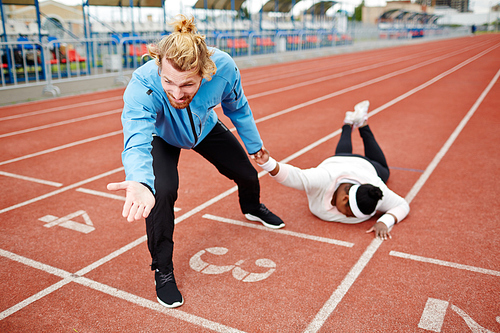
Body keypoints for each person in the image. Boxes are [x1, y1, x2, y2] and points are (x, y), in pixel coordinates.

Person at [107, 15, 284, 309]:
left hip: (204, 127)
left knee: (247, 174)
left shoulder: (224, 68)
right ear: (158, 65)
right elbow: (136, 137)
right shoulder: (142, 84)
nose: (177, 93)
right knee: (160, 193)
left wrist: (255, 147)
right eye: (168, 82)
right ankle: (162, 270)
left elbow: (237, 107)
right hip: (160, 135)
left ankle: (251, 207)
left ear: (205, 71)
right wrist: (139, 179)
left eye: (188, 84)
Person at [253, 100, 410, 240]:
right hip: (345, 164)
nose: (348, 218)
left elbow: (403, 205)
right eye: (349, 214)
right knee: (382, 170)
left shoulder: (376, 191)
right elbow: (295, 177)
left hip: (356, 167)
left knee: (361, 161)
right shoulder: (323, 178)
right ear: (344, 200)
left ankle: (355, 122)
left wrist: (384, 221)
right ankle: (357, 123)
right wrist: (267, 163)